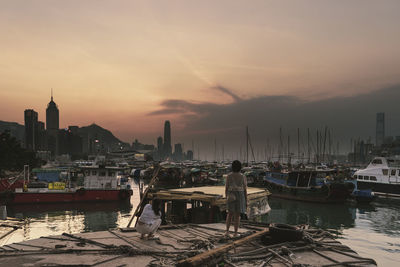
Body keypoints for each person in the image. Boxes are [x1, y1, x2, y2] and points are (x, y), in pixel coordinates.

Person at [225, 160, 247, 236]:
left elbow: (226, 188)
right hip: (240, 196)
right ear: (240, 167)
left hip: (231, 195)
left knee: (229, 214)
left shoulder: (229, 176)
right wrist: (246, 200)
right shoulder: (243, 176)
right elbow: (244, 189)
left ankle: (227, 231)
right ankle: (235, 233)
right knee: (237, 216)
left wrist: (226, 197)